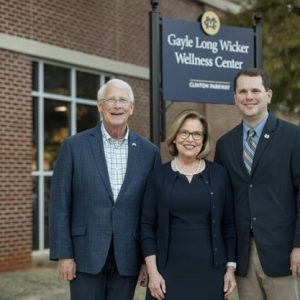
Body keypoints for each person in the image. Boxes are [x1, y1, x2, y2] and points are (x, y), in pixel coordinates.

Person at [49, 78, 161, 300]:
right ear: (100, 106)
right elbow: (60, 204)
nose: (117, 105)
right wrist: (64, 255)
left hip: (128, 257)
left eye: (123, 100)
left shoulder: (149, 153)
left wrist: (147, 260)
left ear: (131, 107)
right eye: (111, 99)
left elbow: (152, 211)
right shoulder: (74, 146)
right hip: (85, 255)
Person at [215, 68, 300, 300]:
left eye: (255, 90)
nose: (249, 96)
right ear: (235, 97)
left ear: (268, 95)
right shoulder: (225, 144)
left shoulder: (293, 137)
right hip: (243, 255)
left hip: (283, 254)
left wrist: (299, 246)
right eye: (242, 91)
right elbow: (224, 202)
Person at [141, 109, 236, 300]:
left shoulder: (219, 175)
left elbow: (229, 225)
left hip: (211, 272)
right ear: (174, 137)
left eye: (196, 134)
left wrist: (230, 269)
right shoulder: (158, 175)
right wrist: (153, 272)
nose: (190, 139)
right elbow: (147, 226)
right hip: (166, 273)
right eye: (184, 132)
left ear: (204, 139)